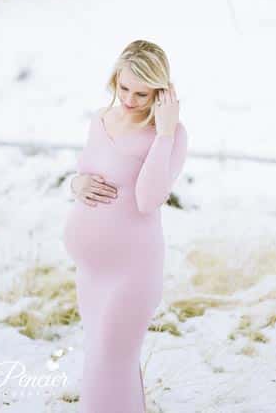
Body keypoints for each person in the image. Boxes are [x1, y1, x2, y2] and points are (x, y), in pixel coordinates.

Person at [63, 40, 188, 413]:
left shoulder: (171, 135)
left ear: (161, 92)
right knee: (99, 355)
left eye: (142, 93)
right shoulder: (100, 119)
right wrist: (75, 183)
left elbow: (149, 199)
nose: (130, 100)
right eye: (124, 88)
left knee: (112, 358)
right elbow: (85, 173)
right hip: (91, 269)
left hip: (132, 270)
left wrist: (164, 134)